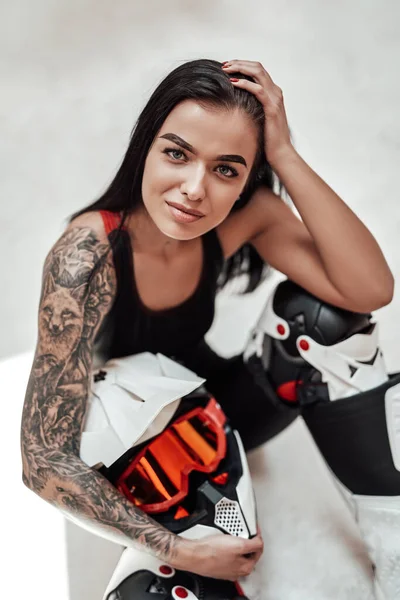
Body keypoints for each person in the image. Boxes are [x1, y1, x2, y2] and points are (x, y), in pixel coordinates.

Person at [20, 58, 394, 587]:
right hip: (138, 447)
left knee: (323, 321)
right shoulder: (86, 257)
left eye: (226, 169)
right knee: (164, 586)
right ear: (144, 148)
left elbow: (370, 290)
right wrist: (181, 551)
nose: (195, 188)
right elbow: (42, 459)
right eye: (177, 154)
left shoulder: (247, 214)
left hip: (215, 407)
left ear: (245, 177)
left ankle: (396, 545)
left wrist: (283, 153)